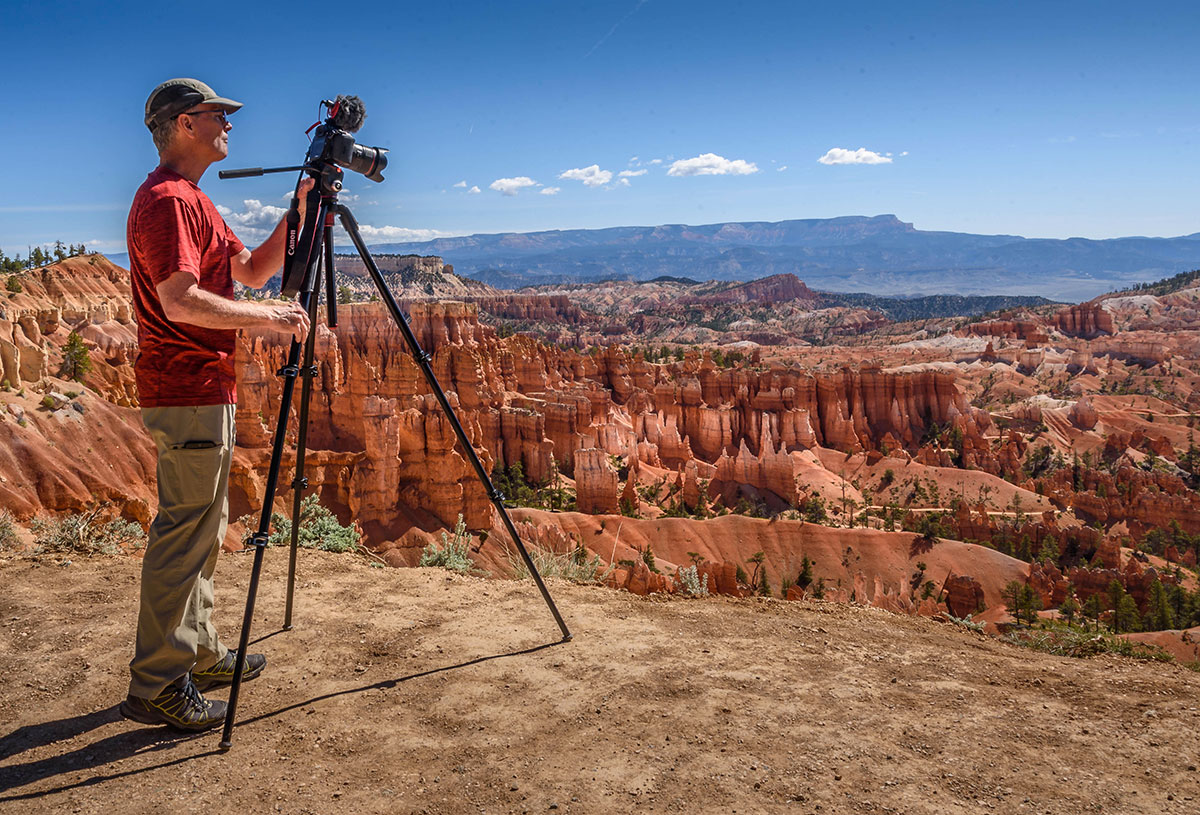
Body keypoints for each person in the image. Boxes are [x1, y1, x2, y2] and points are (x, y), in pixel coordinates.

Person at [120, 78, 312, 731]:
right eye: (217, 114)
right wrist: (270, 321)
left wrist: (301, 212)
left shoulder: (196, 201)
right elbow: (179, 299)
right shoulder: (167, 201)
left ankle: (197, 653)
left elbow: (253, 270)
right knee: (184, 531)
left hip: (206, 388)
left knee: (203, 527)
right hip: (187, 388)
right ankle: (157, 683)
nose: (229, 121)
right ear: (183, 125)